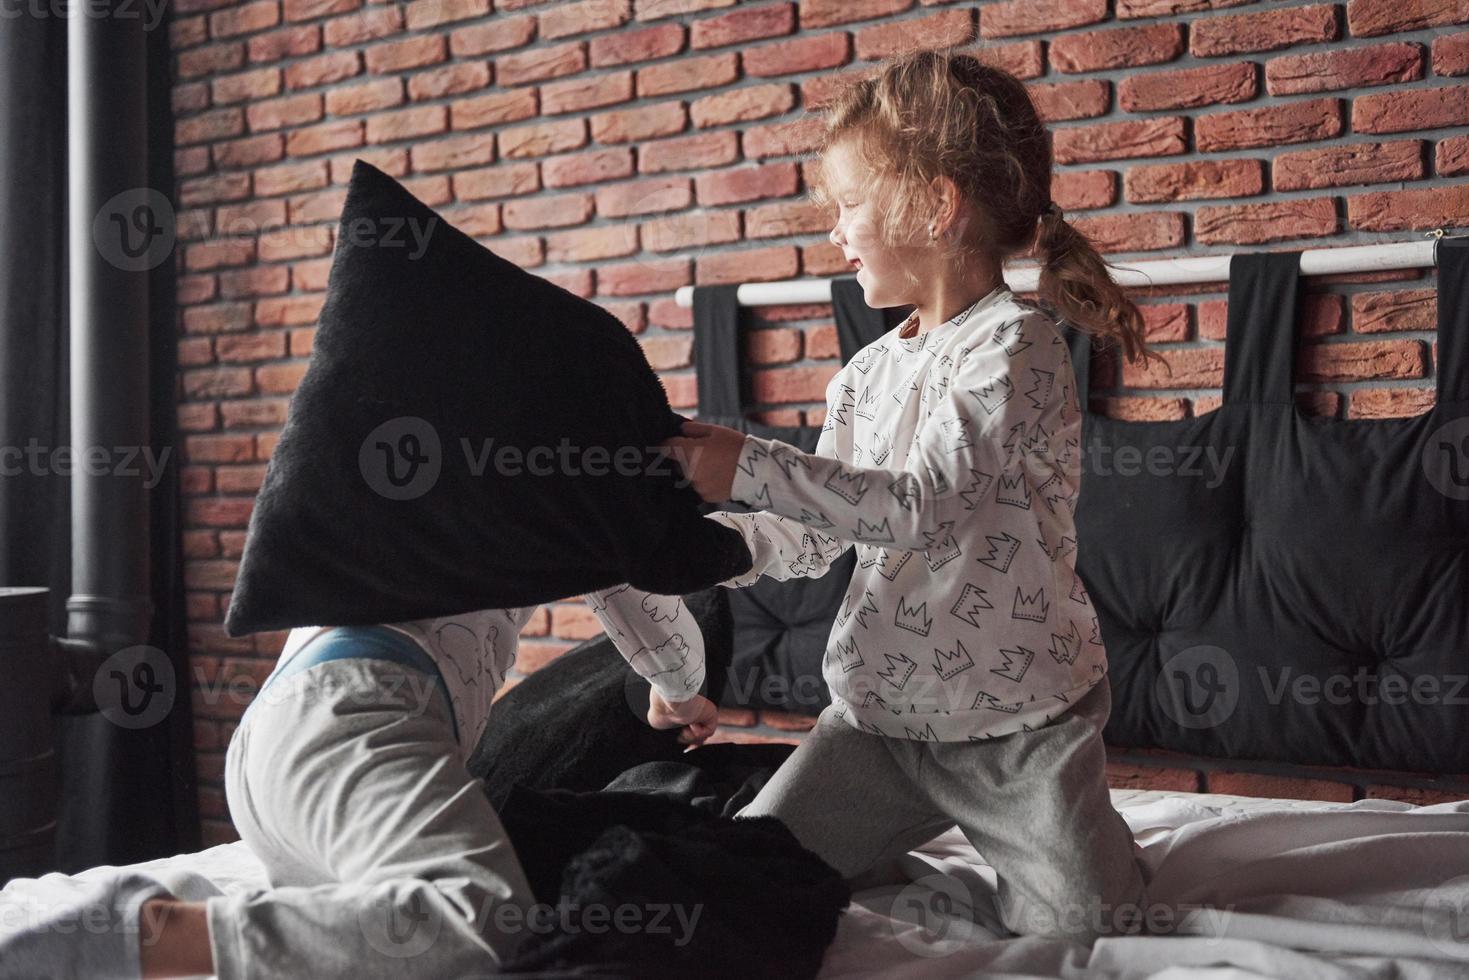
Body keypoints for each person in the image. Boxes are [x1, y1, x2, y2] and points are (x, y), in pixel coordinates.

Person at [662, 48, 1162, 944]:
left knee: (1088, 928)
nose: (836, 232)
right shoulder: (864, 374)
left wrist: (746, 461)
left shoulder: (1017, 348)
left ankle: (1093, 848)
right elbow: (818, 532)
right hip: (876, 727)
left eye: (848, 205)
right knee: (743, 880)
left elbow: (922, 508)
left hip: (1017, 731)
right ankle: (890, 836)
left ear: (934, 205)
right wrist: (714, 546)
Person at [1, 587, 722, 980]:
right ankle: (132, 935)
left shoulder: (383, 445)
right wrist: (679, 694)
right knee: (482, 923)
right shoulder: (561, 463)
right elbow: (655, 616)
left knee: (366, 927)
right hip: (360, 708)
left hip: (278, 736)